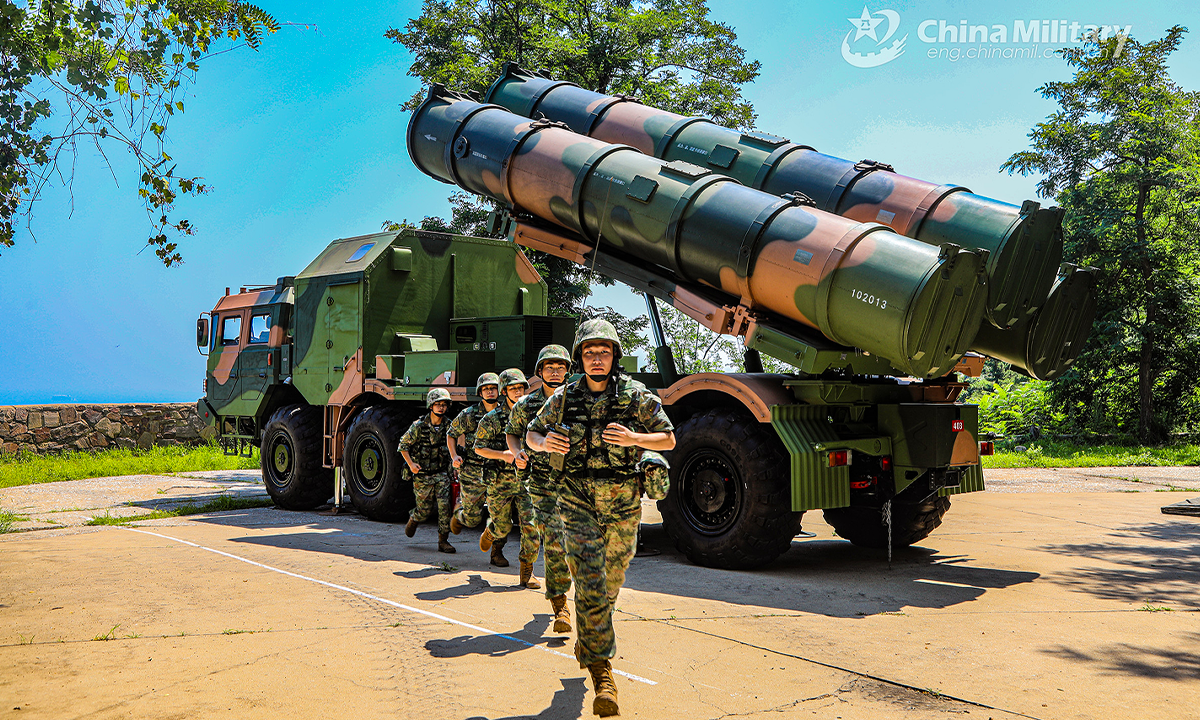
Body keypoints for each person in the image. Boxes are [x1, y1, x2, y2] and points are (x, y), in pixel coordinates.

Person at [526, 319, 675, 717]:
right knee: (590, 583)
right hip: (576, 501)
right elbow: (530, 433)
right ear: (580, 357)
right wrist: (544, 443)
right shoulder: (562, 396)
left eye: (603, 351)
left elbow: (669, 437)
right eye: (589, 352)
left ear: (614, 356)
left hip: (624, 503)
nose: (596, 359)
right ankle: (601, 673)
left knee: (611, 582)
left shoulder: (634, 395)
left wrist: (635, 439)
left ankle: (588, 639)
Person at [506, 344, 573, 632]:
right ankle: (560, 605)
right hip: (542, 483)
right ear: (540, 371)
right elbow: (512, 433)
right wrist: (518, 452)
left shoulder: (578, 402)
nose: (555, 371)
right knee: (554, 541)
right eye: (549, 367)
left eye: (560, 367)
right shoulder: (526, 405)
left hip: (575, 483)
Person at [474, 368, 540, 579]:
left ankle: (527, 572)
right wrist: (503, 455)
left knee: (531, 526)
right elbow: (478, 448)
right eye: (513, 389)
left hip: (526, 480)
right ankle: (491, 532)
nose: (518, 392)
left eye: (521, 387)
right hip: (500, 481)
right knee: (503, 527)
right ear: (504, 392)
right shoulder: (492, 419)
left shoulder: (533, 415)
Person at [401, 388, 455, 553]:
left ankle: (443, 541)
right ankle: (415, 518)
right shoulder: (418, 427)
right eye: (437, 404)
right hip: (422, 474)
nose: (441, 408)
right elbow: (403, 446)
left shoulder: (449, 426)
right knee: (424, 510)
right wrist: (411, 464)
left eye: (444, 404)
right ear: (430, 406)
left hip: (441, 473)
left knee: (445, 508)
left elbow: (455, 445)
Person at [447, 372, 500, 536]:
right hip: (472, 471)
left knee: (500, 517)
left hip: (497, 470)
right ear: (480, 393)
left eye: (493, 388)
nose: (490, 391)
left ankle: (496, 553)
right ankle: (459, 516)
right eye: (486, 389)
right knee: (472, 519)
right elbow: (451, 434)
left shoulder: (507, 413)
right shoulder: (469, 414)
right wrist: (454, 456)